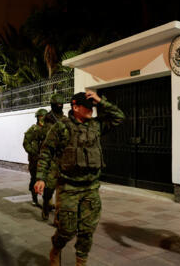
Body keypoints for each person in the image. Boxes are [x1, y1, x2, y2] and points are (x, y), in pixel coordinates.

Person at [34, 90, 125, 266]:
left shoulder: (96, 125)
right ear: (75, 107)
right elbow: (46, 152)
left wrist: (100, 101)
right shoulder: (61, 127)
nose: (91, 110)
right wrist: (40, 178)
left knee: (87, 230)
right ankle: (56, 249)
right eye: (87, 107)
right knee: (67, 230)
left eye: (92, 107)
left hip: (91, 187)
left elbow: (119, 117)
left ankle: (81, 262)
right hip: (69, 187)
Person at [40, 93, 67, 221]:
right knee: (49, 187)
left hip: (63, 158)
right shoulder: (47, 119)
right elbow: (44, 137)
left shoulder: (65, 119)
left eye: (61, 104)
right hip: (51, 158)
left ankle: (58, 217)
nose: (59, 106)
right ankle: (45, 205)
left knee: (62, 190)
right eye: (57, 104)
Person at [23, 108, 48, 206]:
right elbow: (26, 143)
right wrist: (32, 152)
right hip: (34, 159)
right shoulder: (33, 129)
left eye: (43, 117)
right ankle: (34, 199)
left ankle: (47, 201)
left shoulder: (49, 129)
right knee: (34, 178)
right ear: (37, 118)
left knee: (47, 180)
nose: (42, 119)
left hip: (46, 159)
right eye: (40, 117)